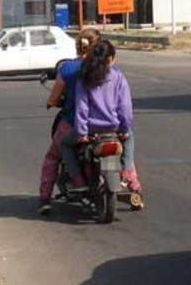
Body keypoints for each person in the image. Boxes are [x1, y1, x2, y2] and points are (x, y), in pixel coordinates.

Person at [60, 40, 142, 207]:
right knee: (130, 138)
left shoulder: (85, 78)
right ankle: (126, 172)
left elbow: (82, 107)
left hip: (90, 130)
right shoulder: (118, 78)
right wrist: (125, 129)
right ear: (111, 58)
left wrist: (82, 133)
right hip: (114, 129)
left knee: (65, 145)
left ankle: (78, 179)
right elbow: (125, 107)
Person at [39, 28, 100, 215]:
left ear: (78, 46)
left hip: (73, 122)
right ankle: (131, 182)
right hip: (105, 123)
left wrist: (51, 103)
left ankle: (45, 199)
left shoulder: (68, 68)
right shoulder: (108, 67)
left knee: (52, 158)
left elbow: (54, 97)